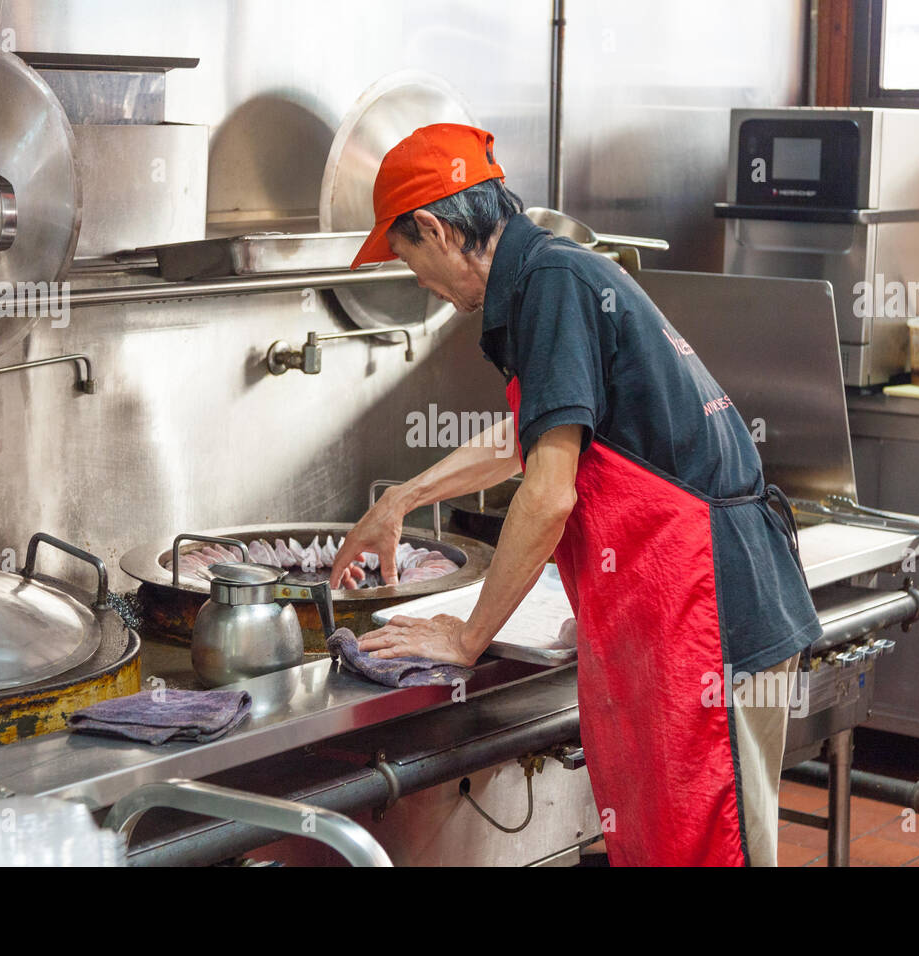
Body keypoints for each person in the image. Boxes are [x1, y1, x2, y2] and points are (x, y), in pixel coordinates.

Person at [328, 123, 821, 866]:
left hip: (707, 613)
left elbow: (548, 492)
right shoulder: (550, 274)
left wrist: (468, 637)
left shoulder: (550, 285)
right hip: (679, 611)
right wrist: (401, 498)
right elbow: (534, 432)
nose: (421, 284)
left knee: (712, 848)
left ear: (434, 227)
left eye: (410, 260)